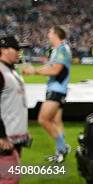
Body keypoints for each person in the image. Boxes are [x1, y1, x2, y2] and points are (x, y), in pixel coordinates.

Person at [22, 26, 72, 163]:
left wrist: (34, 71)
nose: (48, 34)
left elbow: (55, 70)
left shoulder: (62, 49)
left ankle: (63, 148)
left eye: (50, 32)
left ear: (56, 34)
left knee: (43, 120)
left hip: (57, 90)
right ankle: (60, 151)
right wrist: (34, 70)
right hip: (57, 89)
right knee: (56, 121)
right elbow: (49, 67)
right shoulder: (56, 50)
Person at [0, 36, 30, 184]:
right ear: (3, 50)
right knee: (8, 179)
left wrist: (23, 129)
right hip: (5, 140)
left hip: (15, 138)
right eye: (15, 49)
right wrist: (1, 136)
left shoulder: (11, 71)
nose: (19, 52)